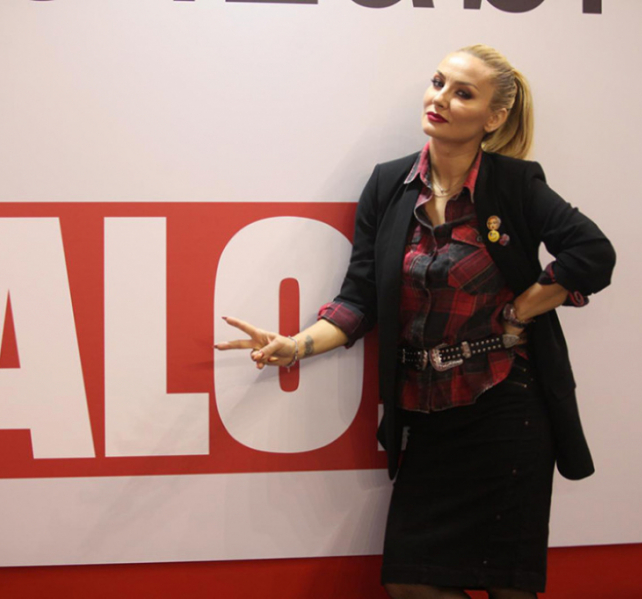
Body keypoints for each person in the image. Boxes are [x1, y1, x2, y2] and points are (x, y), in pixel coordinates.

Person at [216, 44, 615, 599]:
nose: (441, 98)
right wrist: (296, 345)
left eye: (463, 93)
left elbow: (593, 254)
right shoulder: (388, 185)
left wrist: (523, 308)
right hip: (425, 412)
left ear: (494, 117)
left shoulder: (515, 184)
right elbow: (361, 298)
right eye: (438, 82)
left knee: (508, 588)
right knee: (409, 583)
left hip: (505, 404)